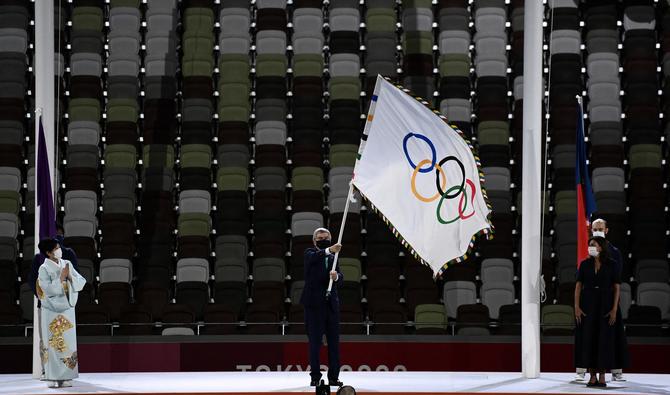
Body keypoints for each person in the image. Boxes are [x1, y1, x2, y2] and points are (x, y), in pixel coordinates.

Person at [575, 219, 628, 382]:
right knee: (588, 335)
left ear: (606, 230)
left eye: (600, 228)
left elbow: (616, 281)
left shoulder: (614, 253)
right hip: (590, 300)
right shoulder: (586, 253)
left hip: (607, 299)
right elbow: (579, 281)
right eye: (594, 228)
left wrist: (613, 304)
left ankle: (614, 370)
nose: (597, 231)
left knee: (609, 335)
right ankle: (585, 370)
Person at [36, 238, 86, 388]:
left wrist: (69, 276)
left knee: (68, 344)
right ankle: (51, 376)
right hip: (51, 311)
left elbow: (81, 281)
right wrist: (61, 279)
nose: (60, 250)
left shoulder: (67, 264)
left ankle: (67, 375)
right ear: (48, 253)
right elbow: (45, 289)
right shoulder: (43, 268)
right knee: (53, 343)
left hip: (67, 310)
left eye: (59, 247)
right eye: (56, 248)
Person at [301, 228, 344, 387]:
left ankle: (333, 377)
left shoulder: (334, 257)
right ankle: (315, 377)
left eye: (326, 238)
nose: (323, 239)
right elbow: (314, 259)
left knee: (334, 343)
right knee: (315, 343)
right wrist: (328, 249)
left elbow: (341, 278)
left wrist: (337, 277)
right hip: (314, 305)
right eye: (320, 238)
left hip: (331, 305)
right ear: (314, 241)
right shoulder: (309, 254)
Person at [29, 224, 79, 303]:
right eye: (55, 236)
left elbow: (75, 275)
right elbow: (33, 280)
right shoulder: (39, 258)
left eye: (60, 236)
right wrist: (42, 297)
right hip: (46, 304)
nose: (58, 239)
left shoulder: (69, 253)